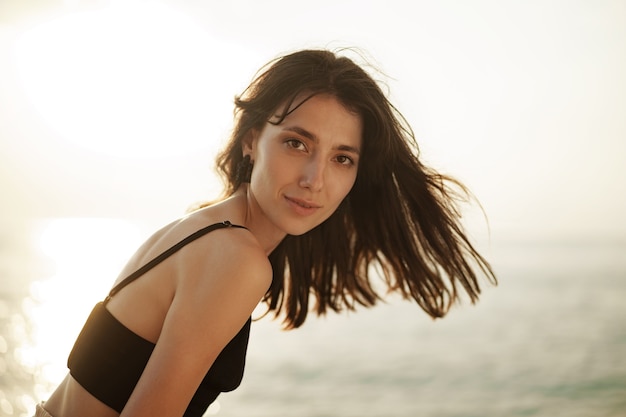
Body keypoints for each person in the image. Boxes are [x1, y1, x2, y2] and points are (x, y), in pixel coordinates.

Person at [37, 48, 496, 417]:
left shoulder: (197, 227)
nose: (314, 178)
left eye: (342, 158)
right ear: (252, 139)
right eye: (297, 143)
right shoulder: (235, 258)